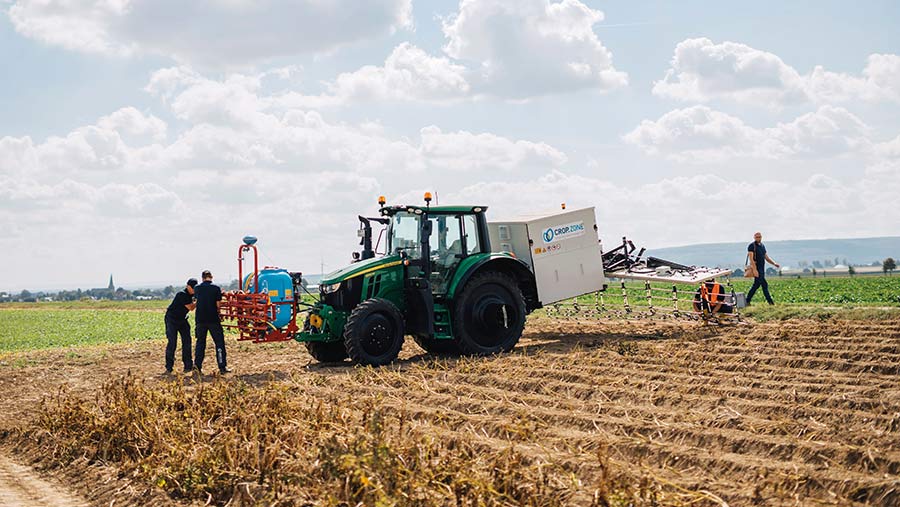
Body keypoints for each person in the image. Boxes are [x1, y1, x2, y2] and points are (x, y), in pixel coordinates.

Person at [193, 270, 230, 374]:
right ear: (211, 277)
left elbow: (196, 300)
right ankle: (222, 367)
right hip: (213, 319)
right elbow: (218, 304)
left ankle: (197, 367)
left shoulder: (197, 288)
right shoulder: (216, 288)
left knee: (200, 343)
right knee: (219, 343)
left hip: (200, 320)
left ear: (202, 278)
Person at [165, 278, 197, 374]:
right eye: (192, 288)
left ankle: (188, 365)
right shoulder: (182, 294)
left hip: (183, 319)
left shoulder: (194, 295)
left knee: (187, 341)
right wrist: (200, 301)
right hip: (172, 319)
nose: (194, 290)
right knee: (172, 342)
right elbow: (191, 307)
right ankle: (169, 366)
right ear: (188, 286)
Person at [746, 232, 780, 305]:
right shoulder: (752, 246)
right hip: (757, 268)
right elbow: (751, 259)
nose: (758, 238)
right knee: (764, 285)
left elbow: (766, 257)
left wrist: (774, 263)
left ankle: (747, 300)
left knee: (756, 285)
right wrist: (755, 270)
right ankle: (770, 302)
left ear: (761, 237)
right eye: (757, 237)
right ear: (754, 237)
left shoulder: (762, 246)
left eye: (759, 237)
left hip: (762, 268)